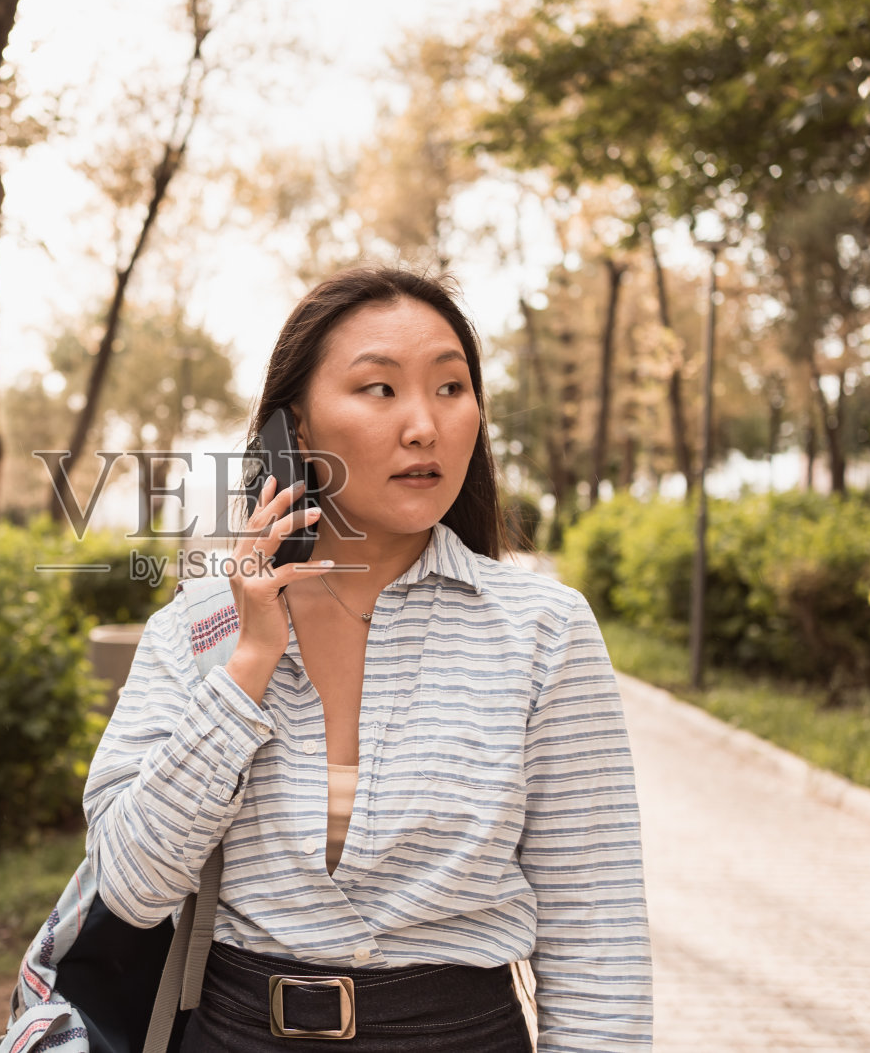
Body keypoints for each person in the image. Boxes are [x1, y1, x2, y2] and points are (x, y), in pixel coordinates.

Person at [82, 265, 652, 1052]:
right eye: (379, 389)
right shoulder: (197, 627)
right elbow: (128, 887)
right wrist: (246, 665)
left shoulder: (543, 630)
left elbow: (597, 930)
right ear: (299, 431)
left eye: (451, 388)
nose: (424, 425)